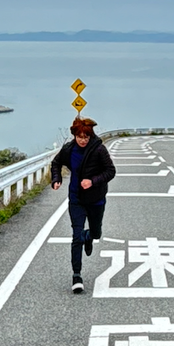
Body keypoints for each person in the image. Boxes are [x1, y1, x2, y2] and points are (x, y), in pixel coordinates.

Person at [51, 117, 116, 293]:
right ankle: (77, 276)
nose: (83, 140)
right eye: (80, 136)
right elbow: (56, 163)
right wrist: (56, 179)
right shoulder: (69, 149)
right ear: (74, 136)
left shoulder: (99, 150)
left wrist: (93, 181)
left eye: (86, 137)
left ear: (90, 136)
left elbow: (111, 171)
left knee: (95, 233)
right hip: (76, 199)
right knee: (76, 236)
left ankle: (90, 237)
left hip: (96, 199)